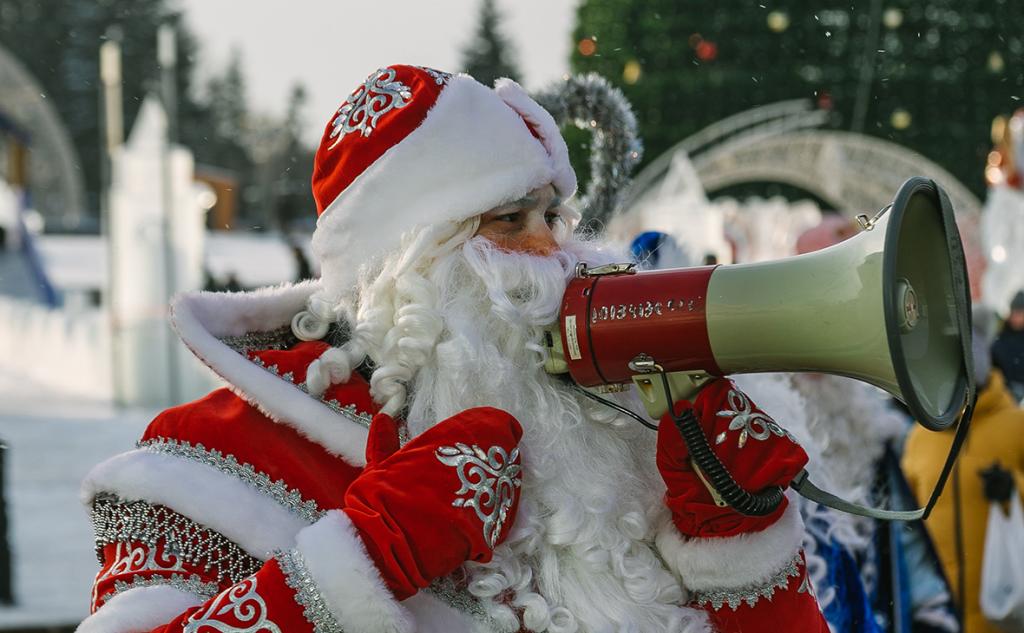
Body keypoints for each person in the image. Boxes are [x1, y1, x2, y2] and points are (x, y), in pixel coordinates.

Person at [78, 65, 827, 633]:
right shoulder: (214, 459)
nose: (553, 256)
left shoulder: (623, 439)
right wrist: (365, 553)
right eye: (508, 222)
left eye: (554, 217)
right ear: (408, 263)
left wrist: (745, 548)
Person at [902, 315, 1024, 633]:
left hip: (1006, 613)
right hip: (940, 616)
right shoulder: (919, 436)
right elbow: (906, 521)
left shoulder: (1016, 424)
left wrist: (1015, 488)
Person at [991, 290, 1024, 402]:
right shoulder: (1000, 332)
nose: (1015, 316)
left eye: (1019, 313)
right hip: (998, 388)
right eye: (1013, 311)